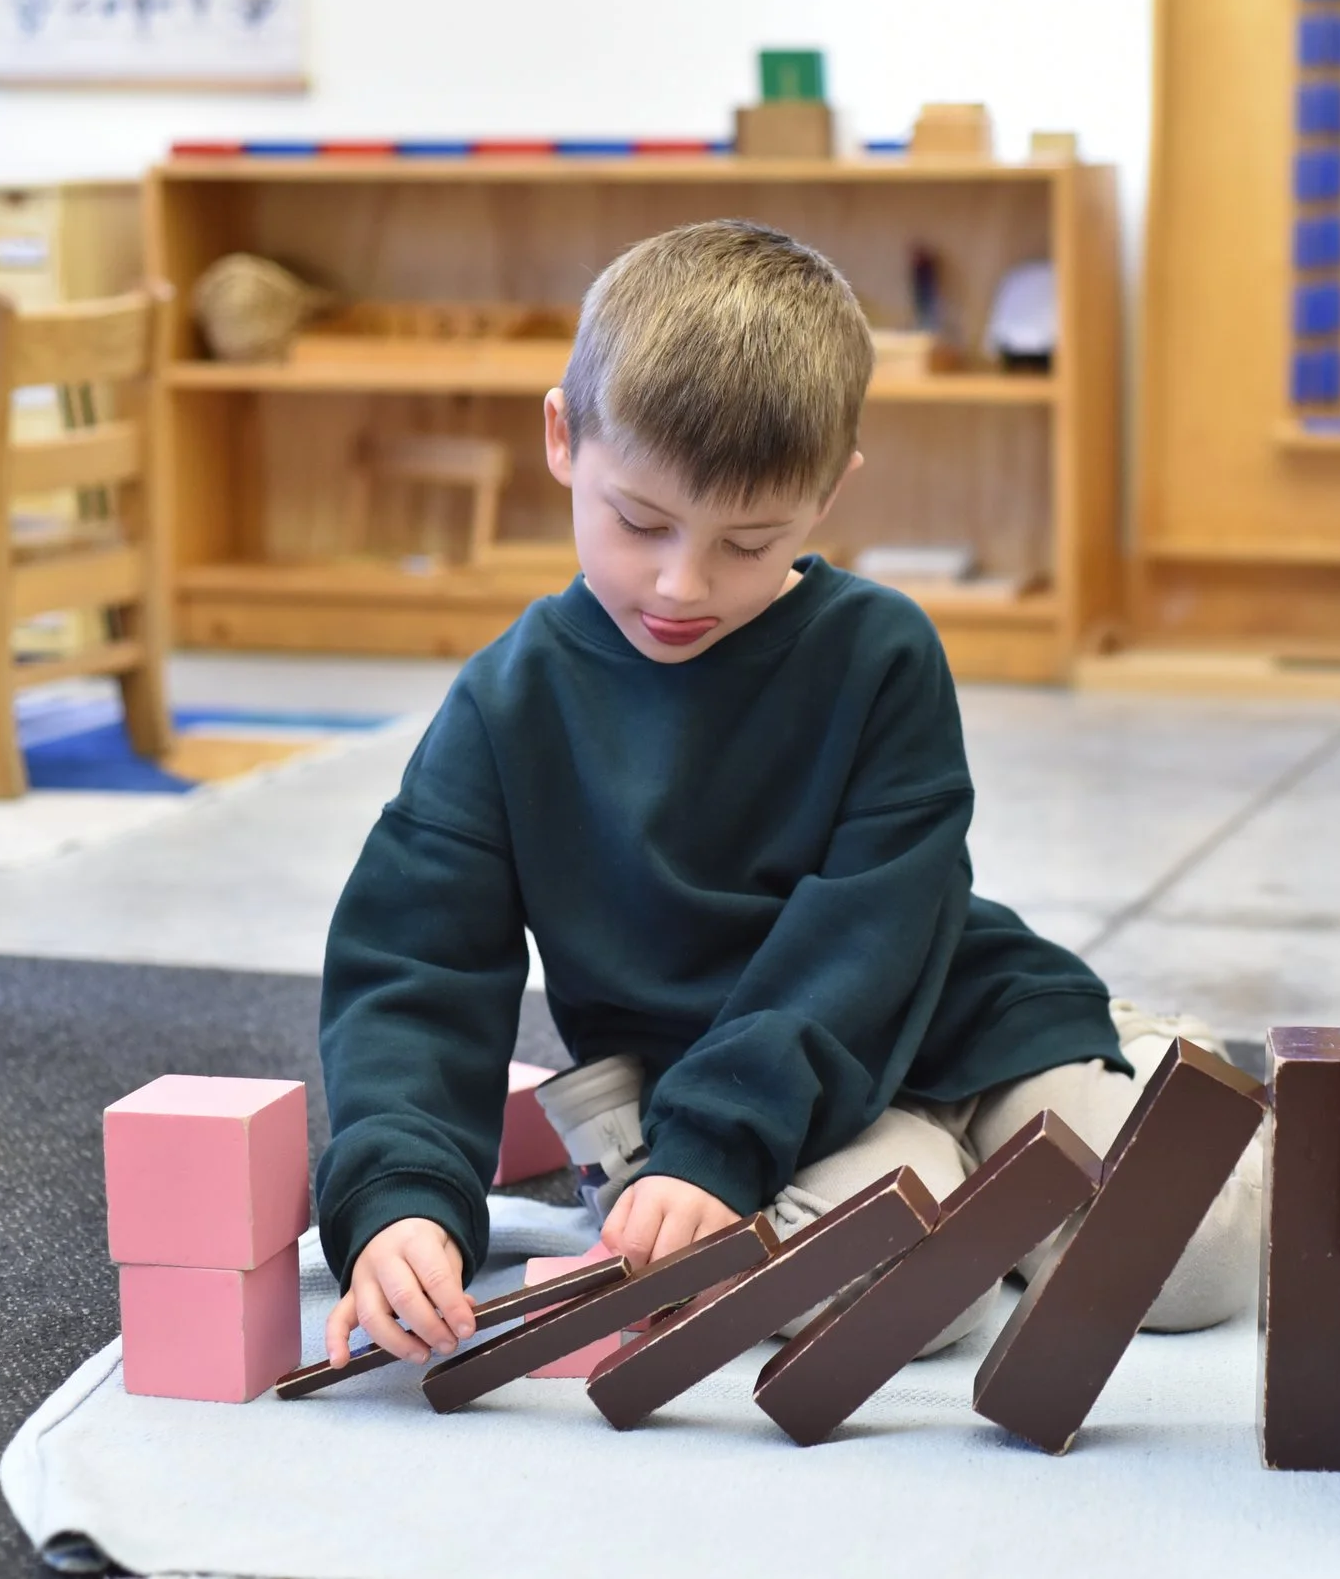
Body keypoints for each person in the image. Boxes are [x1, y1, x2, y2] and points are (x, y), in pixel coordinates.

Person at [312, 220, 1259, 1369]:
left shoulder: (880, 653)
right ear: (561, 436)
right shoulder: (506, 704)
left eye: (748, 542)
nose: (681, 582)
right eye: (640, 522)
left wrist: (713, 1142)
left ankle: (1129, 1065)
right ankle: (989, 1193)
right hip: (768, 1102)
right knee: (907, 1295)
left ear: (828, 493)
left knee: (1196, 1257)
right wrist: (402, 1197)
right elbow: (416, 965)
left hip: (959, 1024)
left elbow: (867, 932)